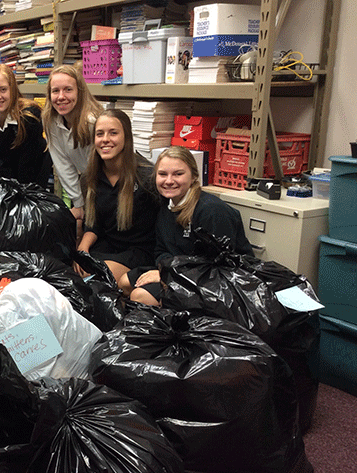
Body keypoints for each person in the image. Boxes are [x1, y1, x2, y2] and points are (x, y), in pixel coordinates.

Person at [122, 145, 254, 306]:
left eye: (178, 174)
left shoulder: (211, 211)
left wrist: (168, 274)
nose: (169, 181)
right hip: (177, 271)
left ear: (193, 177)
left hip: (213, 281)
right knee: (124, 283)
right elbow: (161, 249)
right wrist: (165, 270)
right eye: (162, 174)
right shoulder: (166, 206)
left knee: (141, 296)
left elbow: (220, 266)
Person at [73, 109, 160, 286]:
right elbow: (93, 224)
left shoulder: (147, 177)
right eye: (100, 134)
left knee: (96, 281)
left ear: (126, 137)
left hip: (140, 250)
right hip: (107, 246)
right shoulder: (89, 178)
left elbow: (164, 227)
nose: (105, 139)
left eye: (113, 133)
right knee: (68, 273)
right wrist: (82, 249)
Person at [0, 63, 52, 189]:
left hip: (31, 187)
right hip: (0, 190)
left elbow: (27, 169)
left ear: (12, 90)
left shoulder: (30, 117)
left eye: (3, 89)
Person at [42, 64, 103, 222]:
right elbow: (63, 165)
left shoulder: (93, 122)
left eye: (68, 89)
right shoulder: (50, 121)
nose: (61, 96)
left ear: (80, 92)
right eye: (55, 91)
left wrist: (88, 207)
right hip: (89, 184)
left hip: (110, 185)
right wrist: (78, 203)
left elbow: (100, 169)